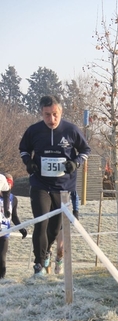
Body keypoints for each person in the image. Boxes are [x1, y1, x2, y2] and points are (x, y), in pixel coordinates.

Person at [19, 95, 91, 277]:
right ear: (41, 114)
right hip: (40, 184)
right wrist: (28, 162)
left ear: (61, 111)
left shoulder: (71, 130)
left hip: (63, 187)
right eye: (47, 115)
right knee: (40, 222)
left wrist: (75, 163)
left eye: (55, 114)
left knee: (54, 228)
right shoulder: (34, 131)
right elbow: (24, 149)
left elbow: (85, 150)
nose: (52, 119)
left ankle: (47, 252)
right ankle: (38, 265)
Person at [0, 174, 27, 279]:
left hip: (4, 232)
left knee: (2, 257)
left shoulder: (13, 199)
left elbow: (14, 217)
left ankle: (2, 278)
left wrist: (21, 229)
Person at [54, 190, 79, 275]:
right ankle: (44, 270)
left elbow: (74, 193)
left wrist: (76, 211)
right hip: (49, 214)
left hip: (63, 216)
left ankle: (59, 263)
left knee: (60, 249)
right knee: (47, 248)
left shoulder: (67, 178)